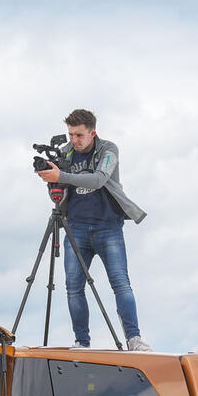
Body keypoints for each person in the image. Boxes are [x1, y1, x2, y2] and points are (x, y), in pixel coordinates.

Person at [35, 109, 151, 351]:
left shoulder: (108, 149)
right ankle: (82, 342)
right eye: (71, 134)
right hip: (75, 226)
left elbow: (98, 179)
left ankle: (134, 339)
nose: (74, 140)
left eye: (79, 135)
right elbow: (59, 190)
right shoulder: (65, 152)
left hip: (108, 227)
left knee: (120, 283)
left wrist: (62, 174)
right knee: (73, 287)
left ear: (92, 133)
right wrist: (51, 178)